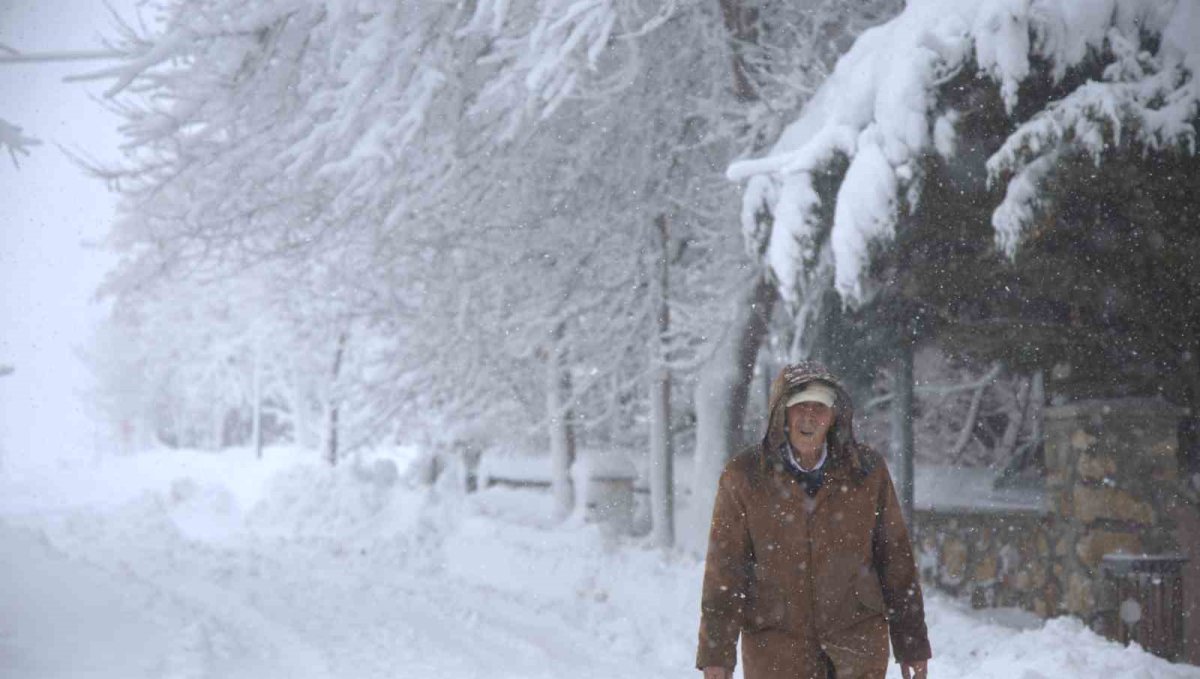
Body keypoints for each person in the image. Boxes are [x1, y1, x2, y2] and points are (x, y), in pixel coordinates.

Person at [696, 360, 931, 679]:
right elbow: (725, 570)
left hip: (857, 648)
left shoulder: (867, 471)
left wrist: (912, 643)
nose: (809, 416)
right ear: (782, 414)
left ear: (834, 416)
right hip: (776, 653)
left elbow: (896, 560)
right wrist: (716, 655)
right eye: (800, 406)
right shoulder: (744, 476)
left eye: (820, 407)